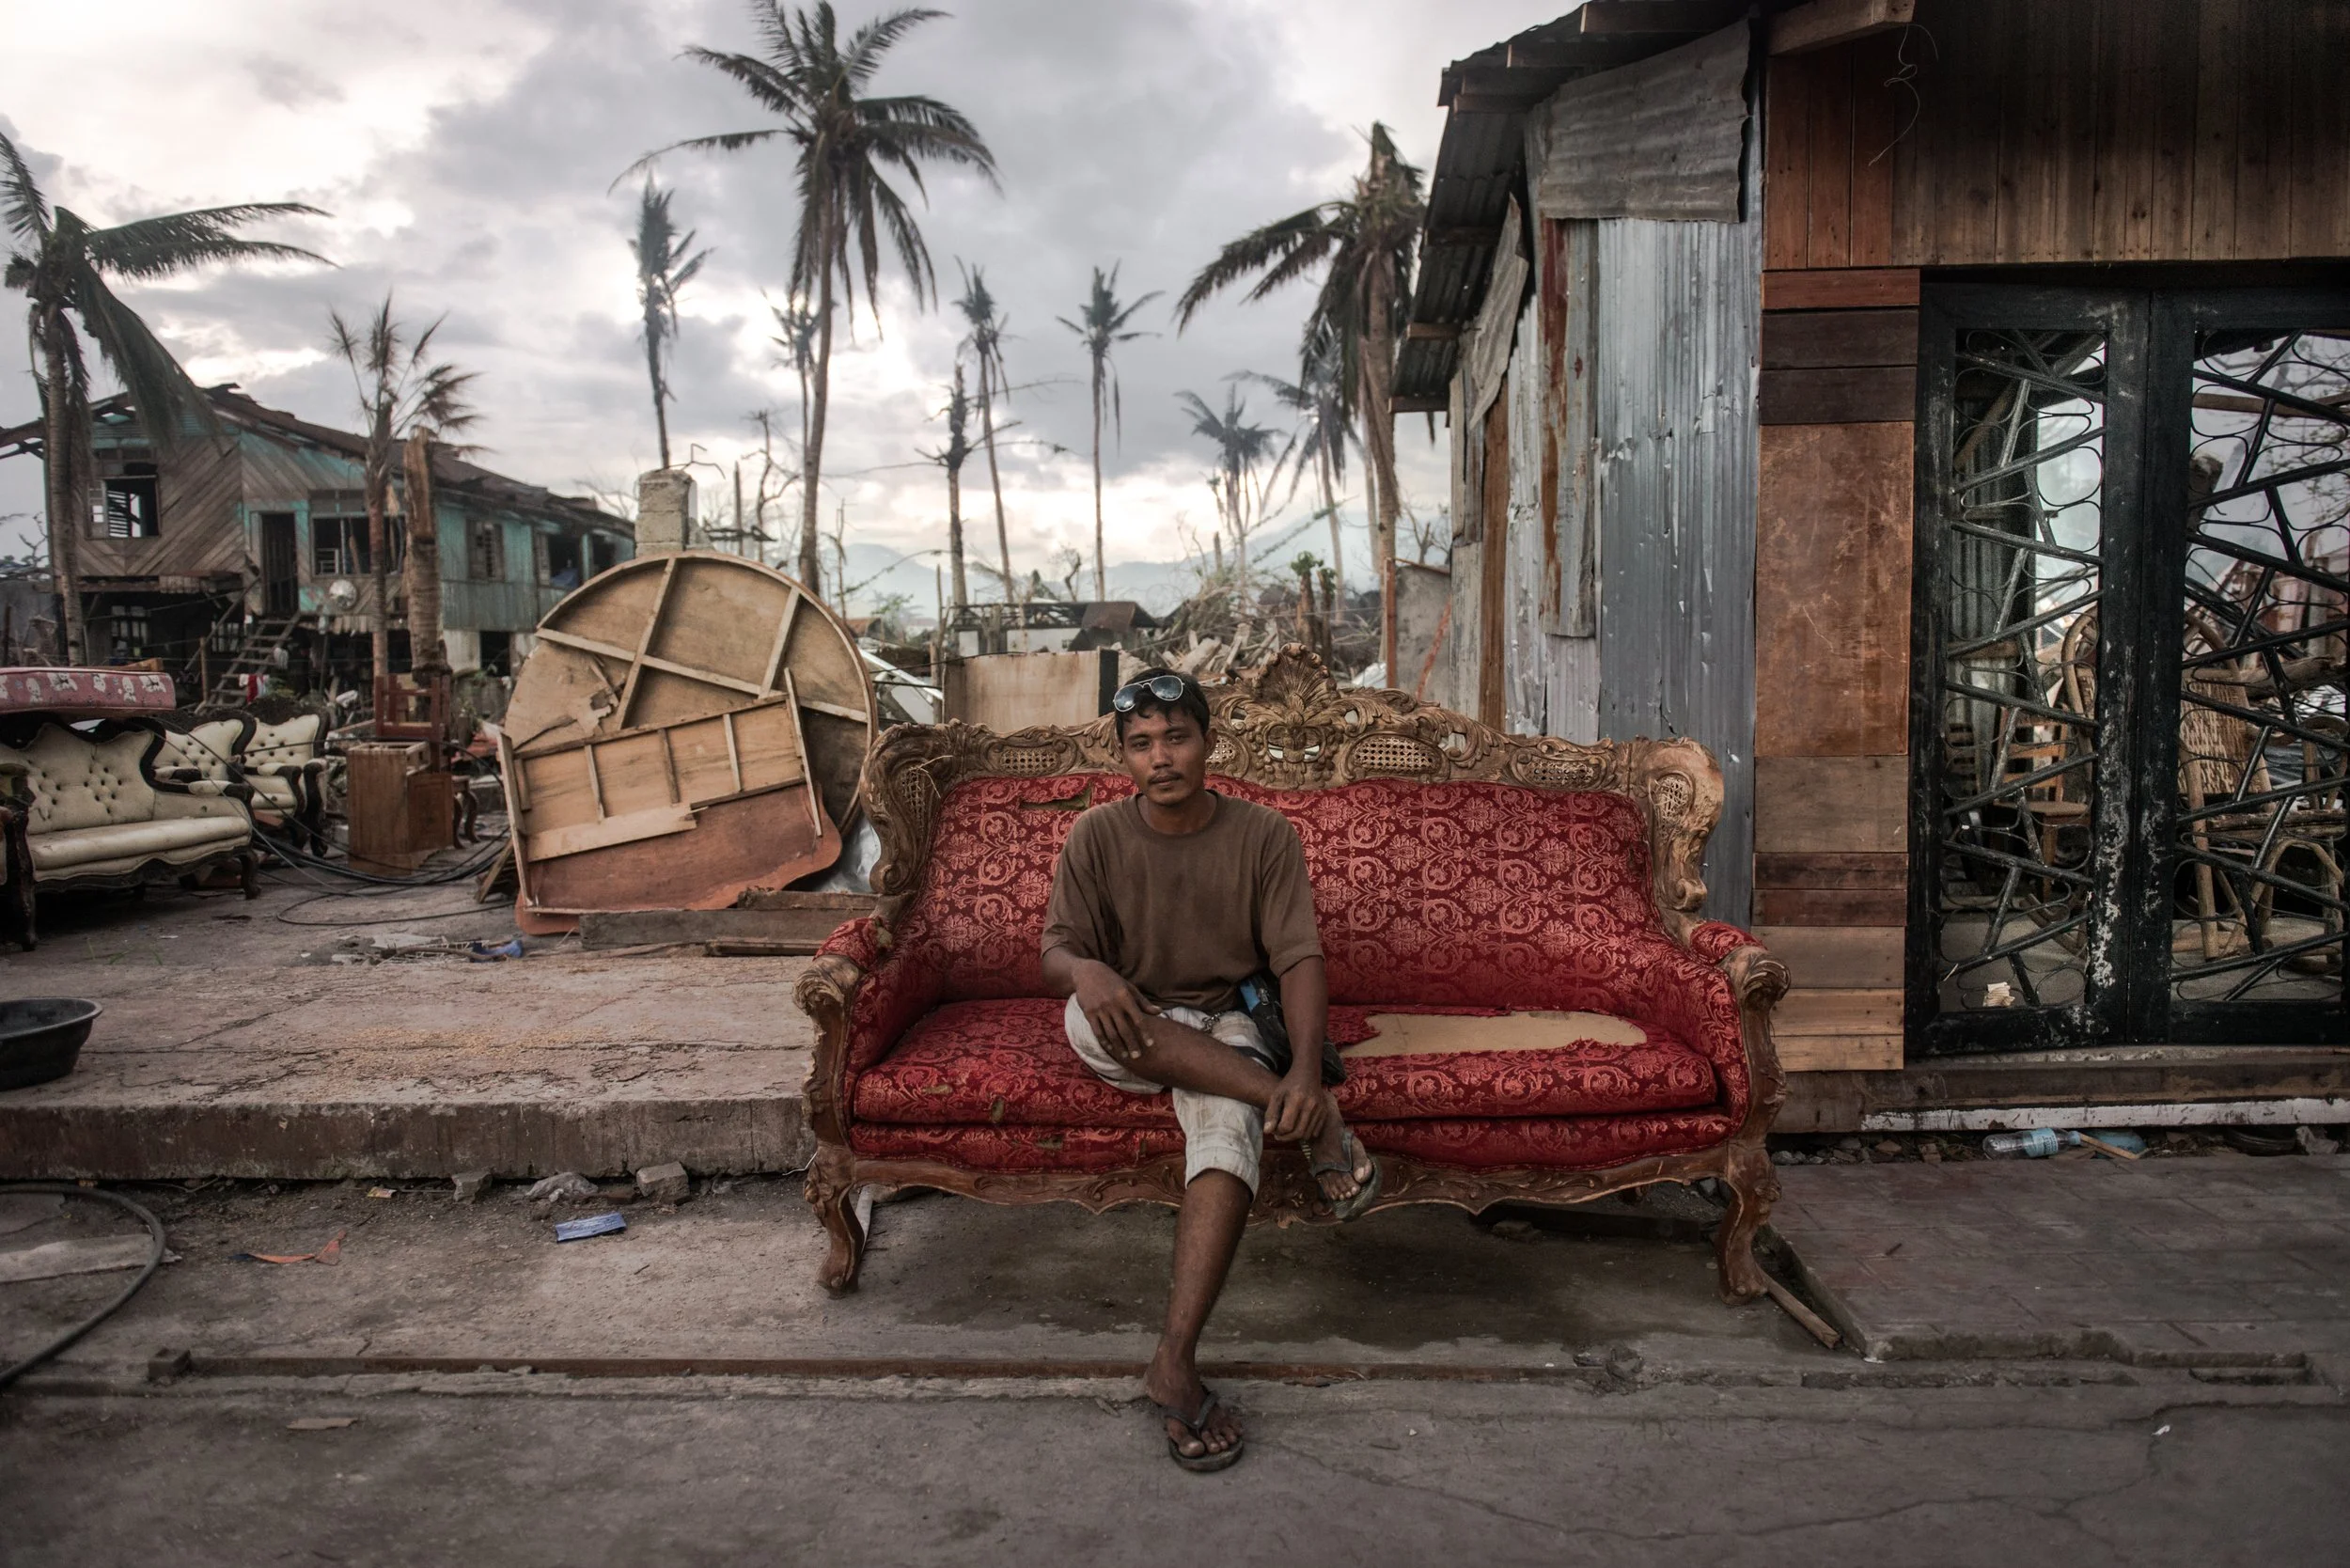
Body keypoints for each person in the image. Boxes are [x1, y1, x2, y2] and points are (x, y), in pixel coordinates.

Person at [1042, 667, 1381, 1473]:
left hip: (1225, 1017)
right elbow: (1056, 948)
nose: (1161, 757)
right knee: (1099, 1016)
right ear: (1124, 758)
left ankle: (1173, 1360)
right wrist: (1085, 972)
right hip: (1129, 1021)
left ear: (1209, 743)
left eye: (1177, 737)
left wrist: (1304, 1064)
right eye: (1141, 744)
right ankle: (1308, 1115)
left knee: (1230, 1127)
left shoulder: (1264, 835)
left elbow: (1298, 957)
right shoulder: (1096, 836)